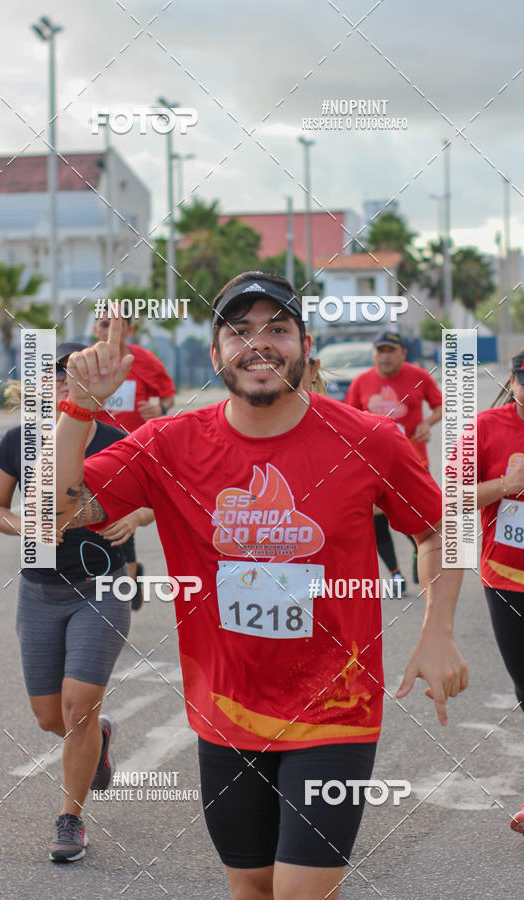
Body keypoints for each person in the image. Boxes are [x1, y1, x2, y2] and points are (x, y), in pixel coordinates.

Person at [55, 272, 467, 899]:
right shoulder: (169, 445)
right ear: (215, 353)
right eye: (239, 330)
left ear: (305, 345)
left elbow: (440, 528)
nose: (259, 343)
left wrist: (438, 630)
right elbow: (53, 511)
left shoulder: (370, 440)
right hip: (226, 711)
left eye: (277, 328)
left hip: (337, 710)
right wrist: (80, 409)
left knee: (301, 890)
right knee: (251, 884)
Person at [0, 342, 141, 863]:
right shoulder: (19, 440)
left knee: (78, 706)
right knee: (50, 716)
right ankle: (99, 737)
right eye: (53, 377)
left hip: (101, 587)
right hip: (39, 592)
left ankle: (70, 818)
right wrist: (25, 525)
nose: (61, 385)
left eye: (70, 376)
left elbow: (154, 501)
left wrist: (134, 517)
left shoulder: (117, 440)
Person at [476, 341, 524, 841]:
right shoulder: (485, 428)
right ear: (512, 382)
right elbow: (450, 497)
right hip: (503, 575)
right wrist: (505, 484)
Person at [345, 330, 443, 591]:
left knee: (419, 518)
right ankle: (395, 574)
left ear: (403, 353)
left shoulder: (419, 376)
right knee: (377, 521)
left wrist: (426, 423)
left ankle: (420, 551)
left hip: (413, 461)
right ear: (374, 354)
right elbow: (349, 418)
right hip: (372, 466)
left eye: (391, 350)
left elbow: (440, 406)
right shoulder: (361, 382)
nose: (385, 356)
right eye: (381, 350)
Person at [93, 309, 174, 604]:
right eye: (103, 324)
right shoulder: (86, 360)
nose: (108, 330)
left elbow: (167, 395)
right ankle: (127, 572)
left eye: (115, 324)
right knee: (98, 520)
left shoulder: (145, 361)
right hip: (93, 453)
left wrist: (160, 409)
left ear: (129, 329)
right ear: (95, 328)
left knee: (123, 517)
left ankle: (126, 576)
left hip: (131, 453)